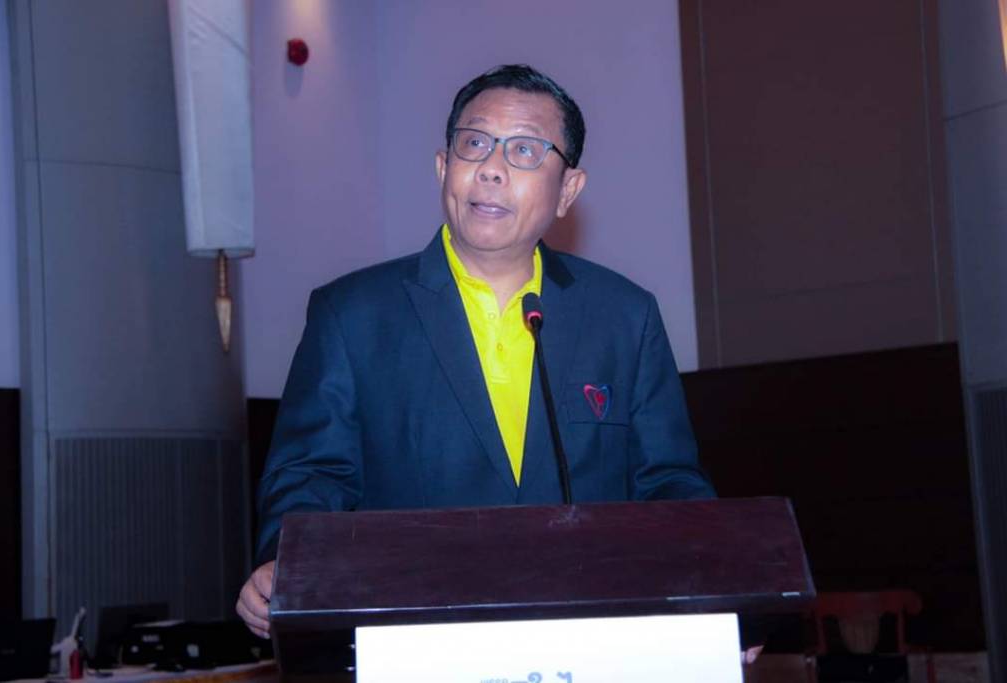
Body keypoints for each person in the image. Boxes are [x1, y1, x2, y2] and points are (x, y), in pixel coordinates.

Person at [236, 64, 715, 640]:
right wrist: (285, 562)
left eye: (524, 150)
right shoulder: (353, 314)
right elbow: (311, 477)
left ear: (568, 190)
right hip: (415, 640)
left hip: (588, 638)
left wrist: (716, 585)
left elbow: (668, 483)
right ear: (444, 168)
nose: (491, 168)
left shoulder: (624, 317)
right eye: (475, 144)